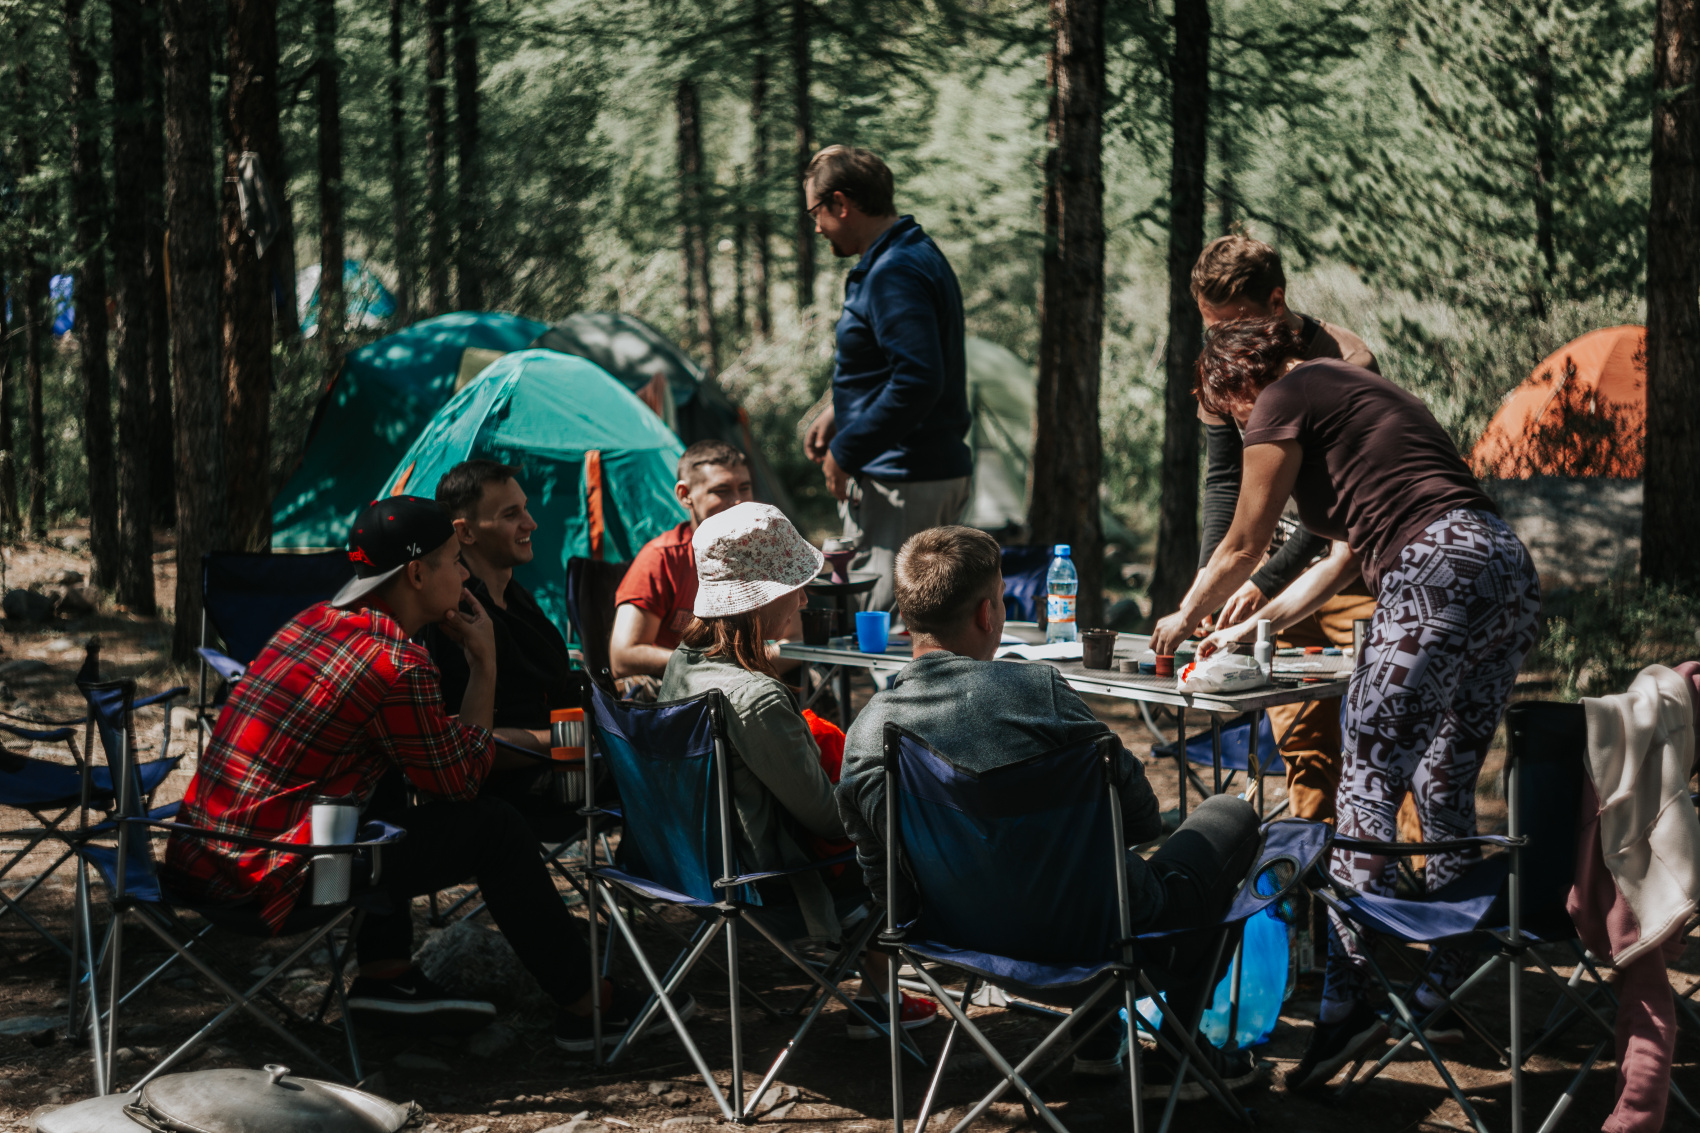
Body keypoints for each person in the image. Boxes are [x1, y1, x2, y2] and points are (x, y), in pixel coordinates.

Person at [1149, 318, 1542, 1092]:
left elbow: (1242, 543)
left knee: (1365, 778)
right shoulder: (1362, 394)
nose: (1234, 425)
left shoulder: (1280, 398)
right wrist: (1260, 619)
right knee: (1439, 781)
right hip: (1502, 568)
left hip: (1431, 570)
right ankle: (1445, 977)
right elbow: (1345, 553)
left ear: (1233, 382)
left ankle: (1347, 996)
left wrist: (1186, 612)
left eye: (1224, 409)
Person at [164, 496, 690, 1050]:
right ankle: (590, 1007)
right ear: (416, 573)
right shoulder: (396, 663)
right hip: (280, 881)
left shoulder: (310, 623)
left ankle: (386, 977)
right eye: (454, 561)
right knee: (495, 828)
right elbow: (462, 783)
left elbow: (435, 765)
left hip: (203, 859)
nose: (465, 574)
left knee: (387, 774)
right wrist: (483, 663)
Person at [837, 526, 1263, 1095]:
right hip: (1106, 939)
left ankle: (1096, 1041)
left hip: (954, 938)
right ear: (991, 613)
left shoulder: (868, 732)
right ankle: (1178, 1056)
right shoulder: (1038, 693)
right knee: (1230, 816)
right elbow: (1137, 820)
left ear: (906, 617)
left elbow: (880, 874)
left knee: (1068, 874)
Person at [658, 501, 937, 1039]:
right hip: (768, 879)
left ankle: (881, 994)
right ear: (760, 602)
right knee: (899, 832)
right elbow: (829, 820)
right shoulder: (755, 697)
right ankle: (885, 990)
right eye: (794, 585)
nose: (804, 598)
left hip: (691, 859)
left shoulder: (683, 663)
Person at [1191, 234, 1380, 824]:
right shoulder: (1226, 371)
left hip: (1348, 577)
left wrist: (1263, 576)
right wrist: (1211, 576)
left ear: (1276, 302)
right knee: (1304, 745)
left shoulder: (1347, 361)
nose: (1220, 339)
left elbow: (1340, 508)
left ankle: (1411, 891)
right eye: (1209, 325)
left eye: (1233, 322)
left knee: (1383, 736)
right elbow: (1224, 481)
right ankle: (1307, 884)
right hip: (1266, 585)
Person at [799, 145, 972, 613]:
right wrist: (841, 410)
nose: (816, 227)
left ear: (841, 203)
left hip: (903, 480)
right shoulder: (907, 256)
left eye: (816, 212)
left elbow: (918, 379)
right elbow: (897, 363)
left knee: (887, 630)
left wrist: (847, 450)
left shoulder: (894, 271)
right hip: (916, 472)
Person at [418, 460, 579, 840]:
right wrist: (570, 742)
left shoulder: (517, 599)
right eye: (512, 514)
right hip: (512, 788)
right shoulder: (457, 619)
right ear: (466, 533)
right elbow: (460, 736)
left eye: (525, 508)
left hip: (570, 763)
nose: (531, 523)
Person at [610, 439, 756, 694]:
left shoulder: (761, 551)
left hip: (748, 678)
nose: (738, 502)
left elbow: (796, 639)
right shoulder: (662, 558)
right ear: (685, 495)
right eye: (721, 490)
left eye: (744, 488)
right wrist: (714, 668)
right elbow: (623, 656)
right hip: (682, 687)